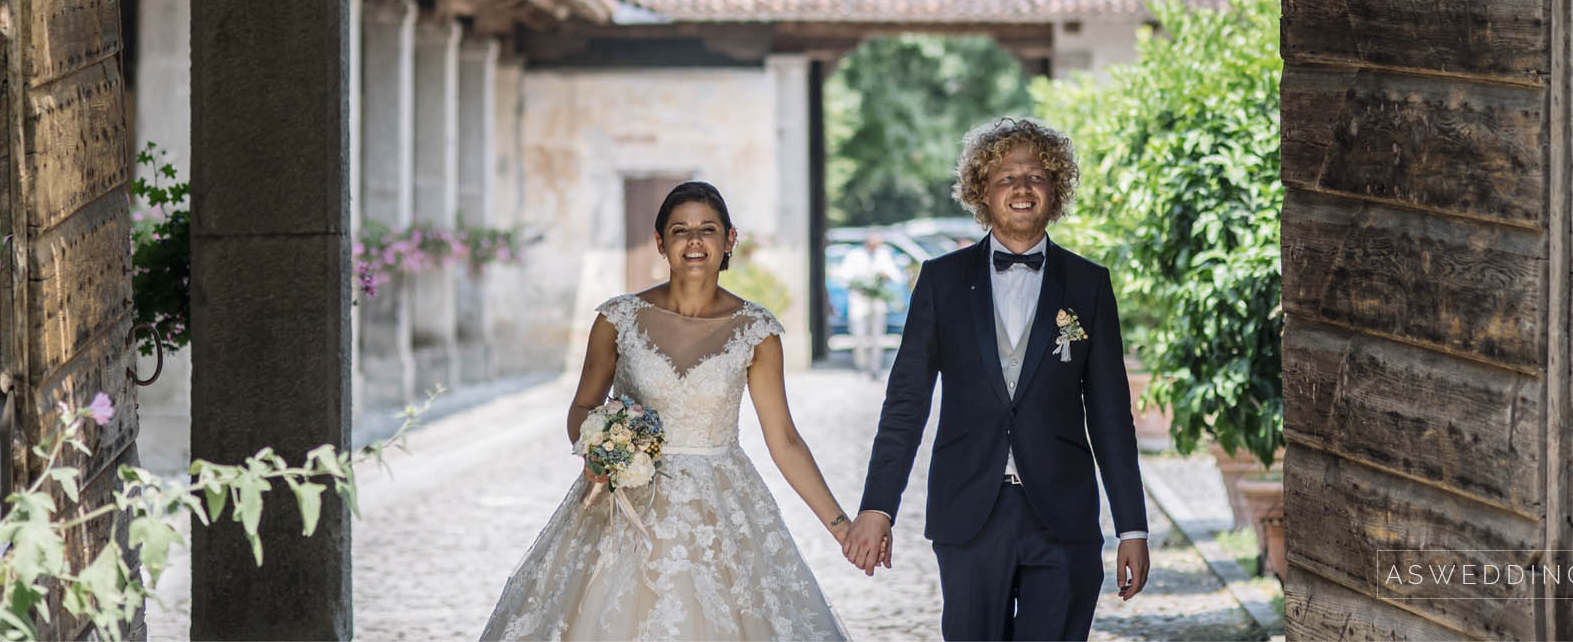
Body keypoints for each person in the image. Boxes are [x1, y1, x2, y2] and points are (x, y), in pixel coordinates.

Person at [482, 180, 852, 640]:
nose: (694, 241)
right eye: (680, 230)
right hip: (625, 502)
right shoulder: (617, 319)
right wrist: (597, 450)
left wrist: (841, 527)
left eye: (708, 229)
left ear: (729, 240)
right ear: (661, 242)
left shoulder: (757, 331)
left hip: (722, 509)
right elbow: (582, 405)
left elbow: (785, 441)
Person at [842, 118, 1149, 641]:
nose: (1022, 188)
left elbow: (1110, 416)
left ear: (1056, 189)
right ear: (982, 191)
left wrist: (1132, 527)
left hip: (1064, 516)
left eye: (1036, 176)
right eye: (1007, 177)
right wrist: (877, 506)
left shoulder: (1088, 284)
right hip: (969, 515)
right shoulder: (940, 280)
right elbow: (906, 403)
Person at [836, 232, 902, 378]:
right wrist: (859, 281)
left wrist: (885, 275)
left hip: (877, 301)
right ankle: (861, 366)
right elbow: (843, 275)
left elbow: (896, 275)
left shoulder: (883, 255)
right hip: (859, 299)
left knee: (877, 337)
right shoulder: (855, 255)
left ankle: (875, 367)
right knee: (859, 335)